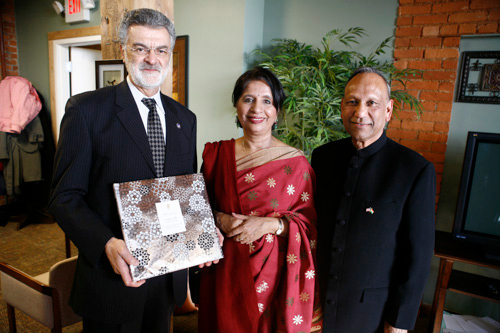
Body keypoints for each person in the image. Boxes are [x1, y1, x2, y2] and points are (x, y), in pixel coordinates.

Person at [48, 8, 197, 331]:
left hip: (166, 278)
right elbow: (64, 197)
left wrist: (201, 235)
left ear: (169, 54)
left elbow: (184, 194)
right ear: (123, 51)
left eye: (160, 50)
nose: (151, 58)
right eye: (140, 48)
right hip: (110, 280)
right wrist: (106, 243)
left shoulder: (185, 119)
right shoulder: (86, 111)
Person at [312, 67, 436, 333]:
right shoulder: (322, 157)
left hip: (370, 313)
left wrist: (399, 323)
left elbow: (418, 256)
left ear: (389, 110)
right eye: (352, 102)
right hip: (314, 302)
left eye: (372, 103)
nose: (360, 112)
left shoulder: (414, 169)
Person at [198, 66, 322, 332]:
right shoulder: (216, 155)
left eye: (267, 101)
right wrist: (220, 219)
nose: (257, 109)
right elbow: (197, 209)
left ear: (277, 111)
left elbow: (309, 225)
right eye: (248, 99)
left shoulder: (296, 163)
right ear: (236, 106)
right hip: (226, 270)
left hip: (277, 276)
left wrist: (268, 225)